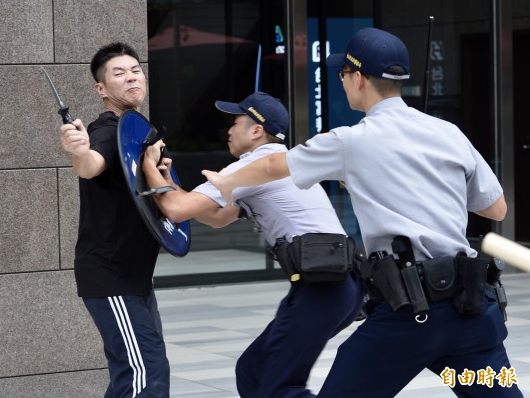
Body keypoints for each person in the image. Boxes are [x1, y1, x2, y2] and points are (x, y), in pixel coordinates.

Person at [202, 28, 522, 397]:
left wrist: (226, 184)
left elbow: (274, 165)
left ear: (357, 78)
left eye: (342, 75)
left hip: (409, 319)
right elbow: (495, 206)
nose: (343, 82)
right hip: (471, 314)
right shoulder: (448, 132)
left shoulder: (352, 140)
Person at [142, 91, 364, 398]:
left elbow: (177, 209)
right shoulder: (283, 165)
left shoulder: (250, 166)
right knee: (252, 370)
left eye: (235, 122)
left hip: (322, 289)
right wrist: (167, 183)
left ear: (256, 131)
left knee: (279, 387)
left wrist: (147, 166)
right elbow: (218, 217)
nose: (229, 130)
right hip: (340, 289)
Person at [60, 42, 169, 398]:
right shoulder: (109, 129)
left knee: (135, 371)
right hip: (112, 275)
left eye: (135, 69)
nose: (131, 77)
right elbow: (91, 165)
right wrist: (79, 151)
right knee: (145, 373)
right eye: (118, 73)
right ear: (101, 89)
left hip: (135, 277)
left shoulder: (140, 132)